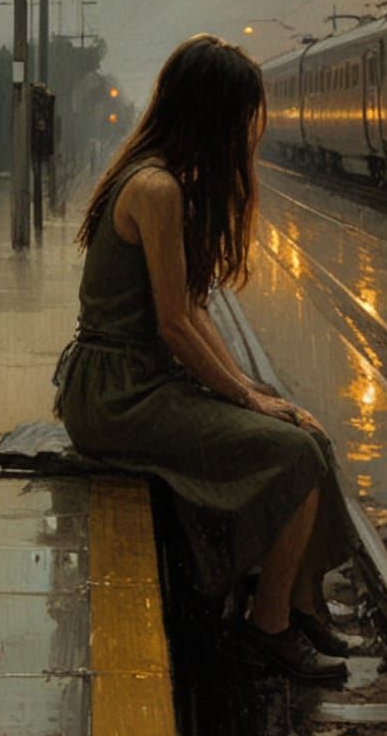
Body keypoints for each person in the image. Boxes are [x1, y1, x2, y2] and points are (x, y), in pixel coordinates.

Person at [54, 34, 356, 683]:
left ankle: (299, 603)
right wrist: (246, 399)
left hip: (131, 385)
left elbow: (193, 311)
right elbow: (173, 324)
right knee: (295, 452)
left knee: (308, 435)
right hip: (117, 397)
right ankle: (267, 628)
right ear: (214, 114)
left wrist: (250, 389)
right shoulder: (157, 189)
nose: (249, 134)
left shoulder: (160, 177)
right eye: (244, 118)